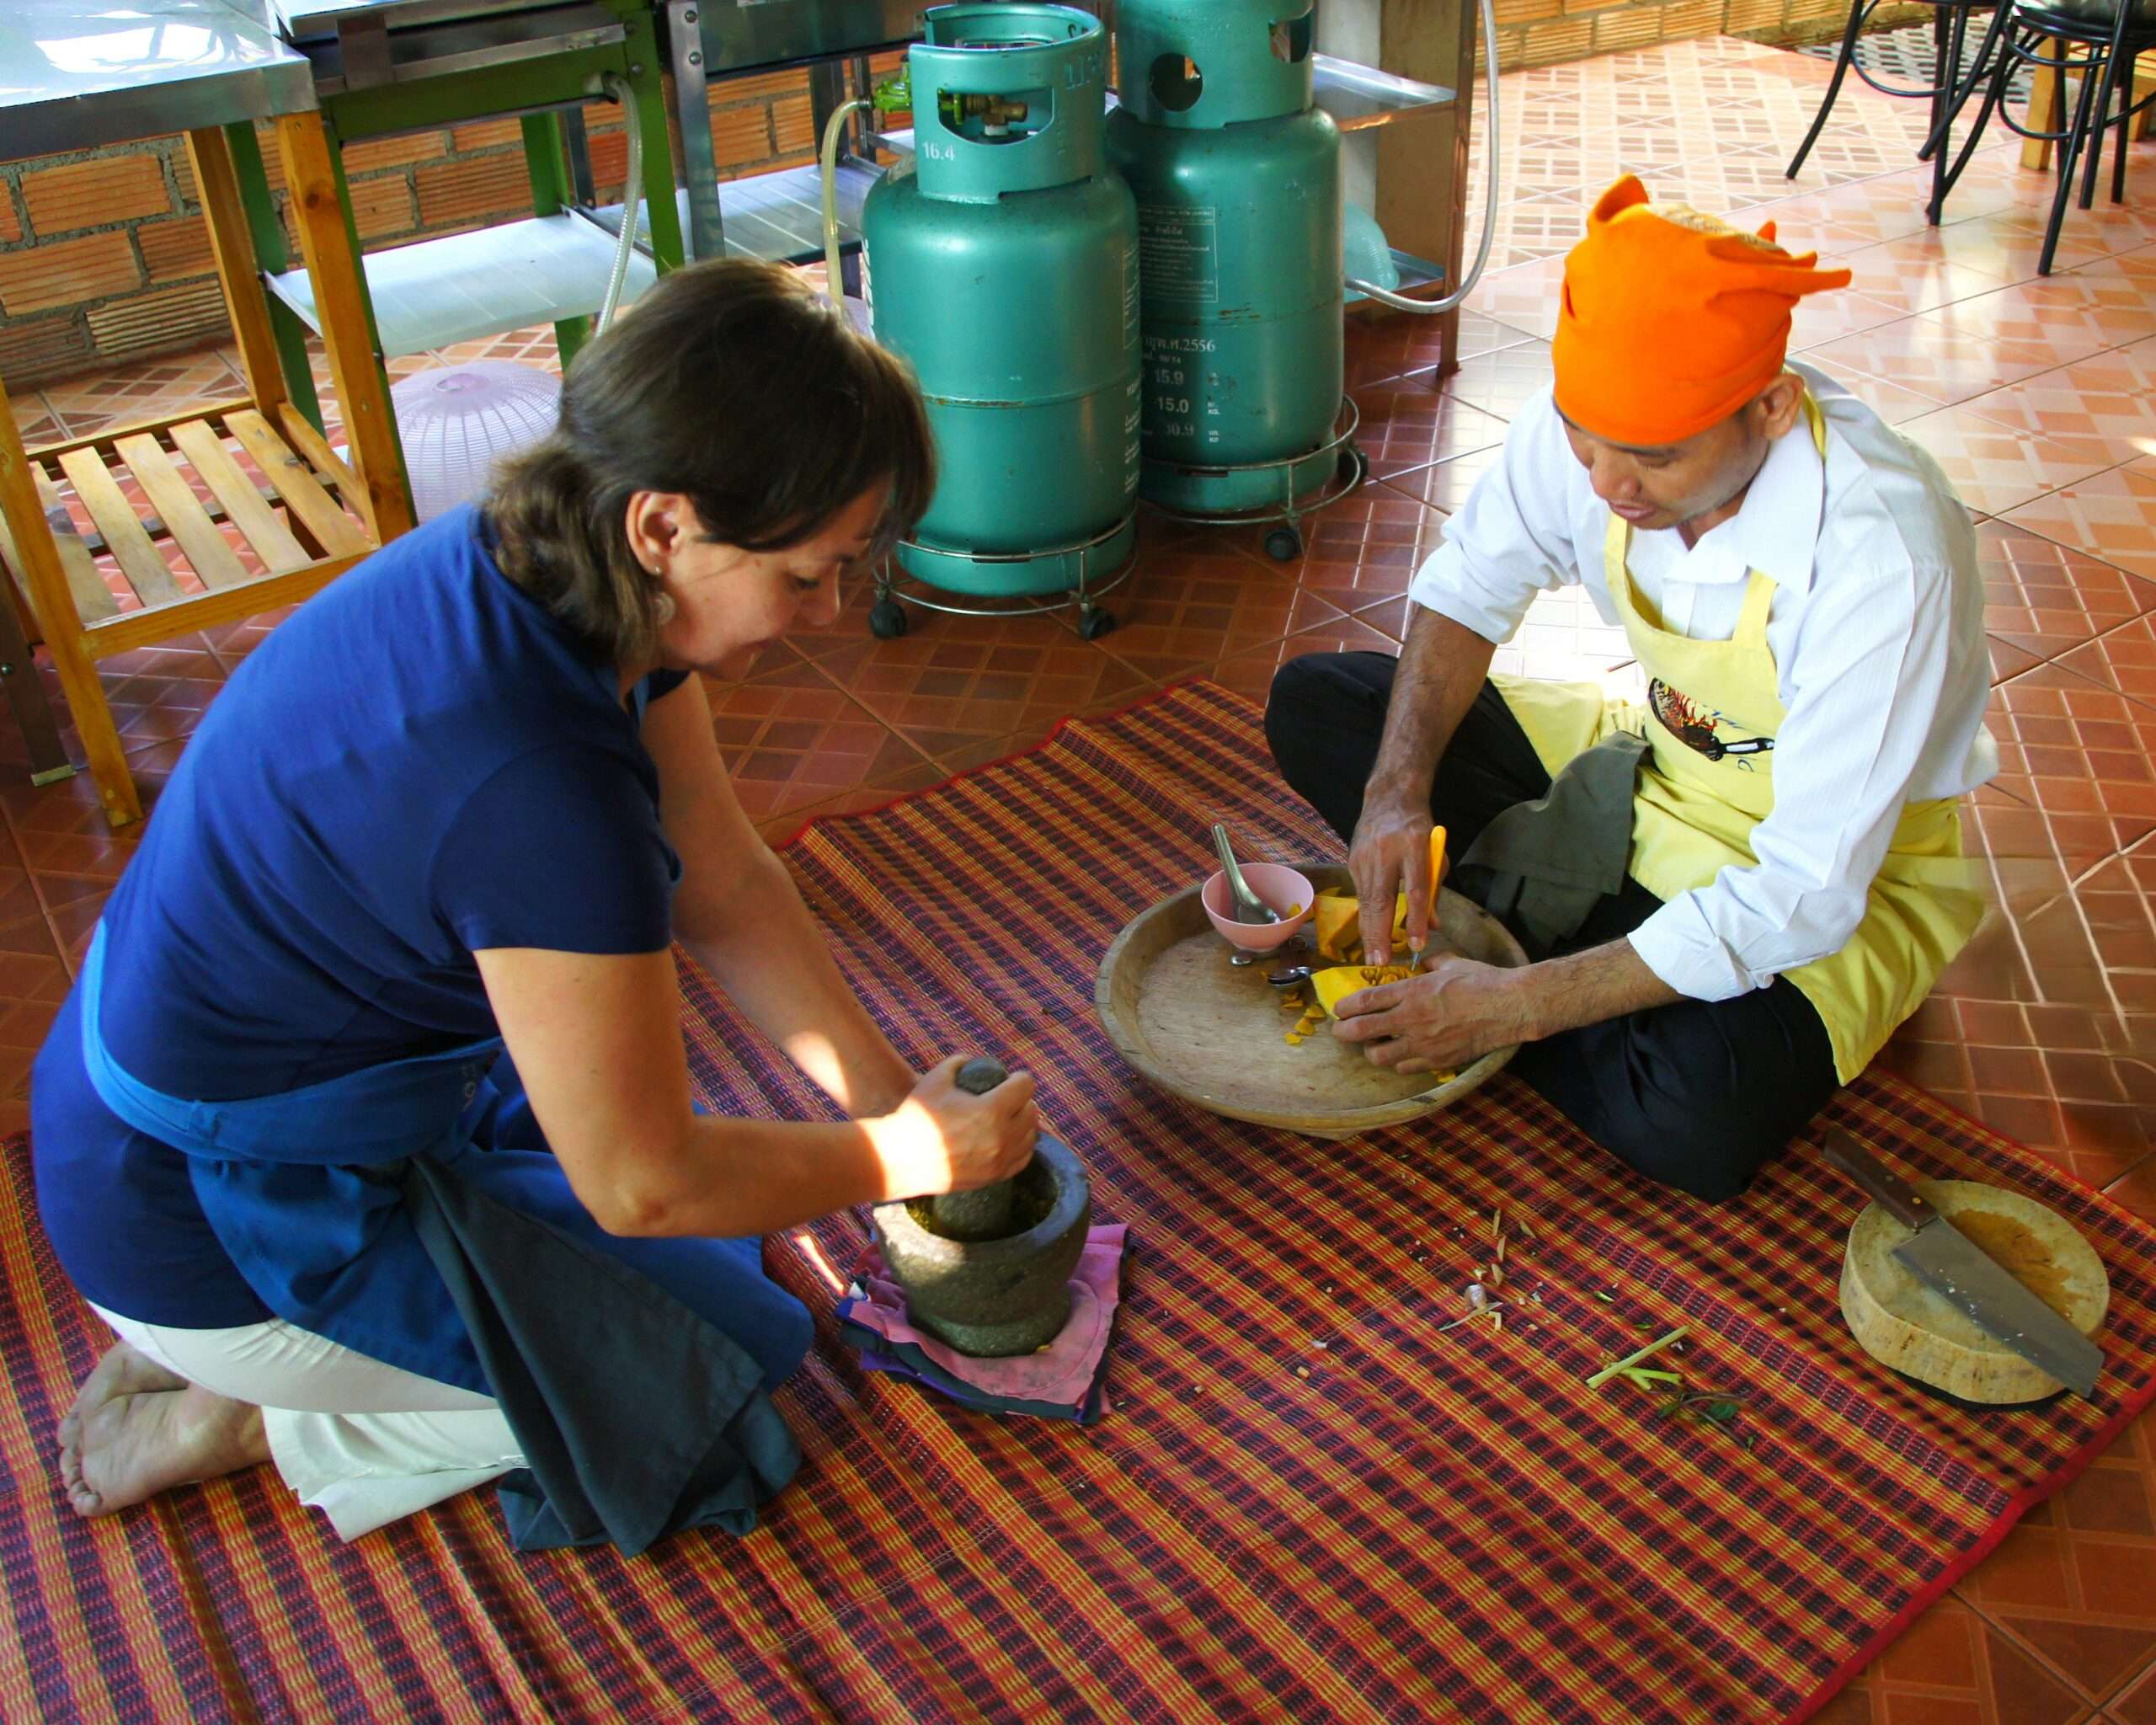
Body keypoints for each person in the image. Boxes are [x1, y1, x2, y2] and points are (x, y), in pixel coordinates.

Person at [36, 259, 1041, 1548]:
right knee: (720, 1364)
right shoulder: (538, 789)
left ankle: (251, 1365)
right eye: (807, 574)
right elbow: (647, 1185)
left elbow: (725, 885)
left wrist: (893, 1111)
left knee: (739, 1234)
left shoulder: (559, 570)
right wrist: (910, 1162)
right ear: (665, 527)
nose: (830, 612)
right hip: (195, 1212)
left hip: (227, 1092)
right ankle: (241, 1408)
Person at [1265, 176, 1993, 1200]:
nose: (1606, 485)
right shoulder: (1602, 415)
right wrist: (1397, 794)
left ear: (1772, 407)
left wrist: (1517, 1007)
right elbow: (1470, 587)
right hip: (1648, 758)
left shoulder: (1882, 554)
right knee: (1322, 705)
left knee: (1692, 1118)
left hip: (1836, 869)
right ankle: (1588, 965)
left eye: (1652, 459)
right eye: (1583, 438)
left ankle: (1538, 967)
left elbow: (1801, 890)